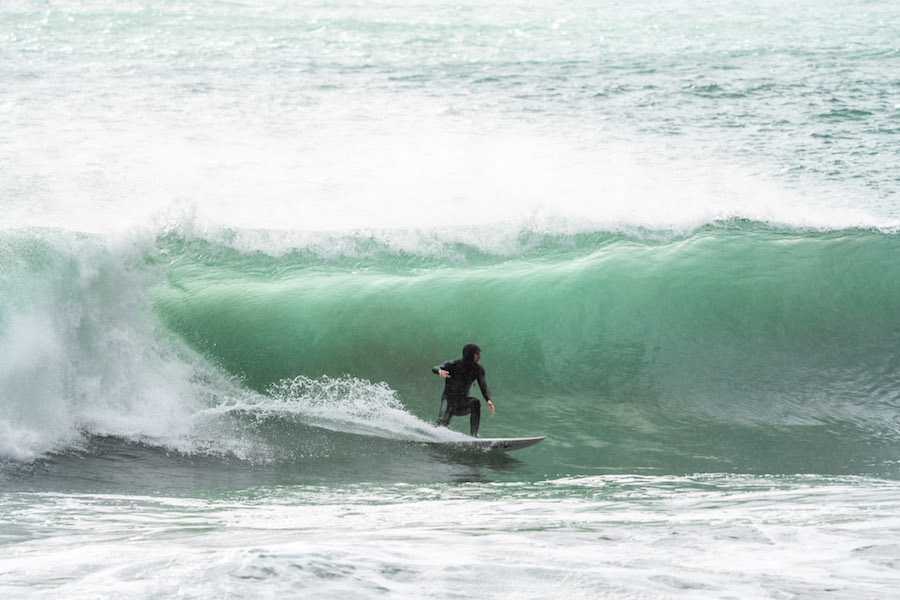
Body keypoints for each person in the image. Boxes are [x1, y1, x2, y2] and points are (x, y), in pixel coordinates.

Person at [432, 343, 495, 437]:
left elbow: (483, 385)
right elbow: (435, 368)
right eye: (477, 354)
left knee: (475, 403)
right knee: (441, 425)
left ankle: (473, 436)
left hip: (462, 402)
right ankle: (429, 434)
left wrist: (488, 400)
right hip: (449, 400)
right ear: (470, 354)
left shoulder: (478, 369)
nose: (479, 357)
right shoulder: (453, 364)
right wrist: (439, 371)